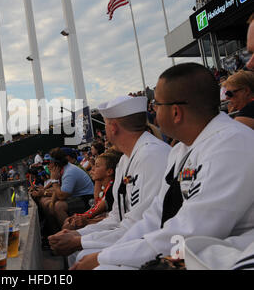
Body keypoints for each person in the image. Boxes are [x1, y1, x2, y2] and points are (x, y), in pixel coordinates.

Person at [72, 63, 254, 270]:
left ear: (176, 112)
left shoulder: (231, 145)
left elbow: (191, 231)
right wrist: (107, 254)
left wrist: (104, 257)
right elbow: (155, 217)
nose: (153, 112)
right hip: (189, 252)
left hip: (219, 257)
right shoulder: (181, 151)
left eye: (157, 105)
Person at [49, 95, 171, 265]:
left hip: (155, 244)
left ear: (113, 127)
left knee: (81, 256)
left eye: (105, 124)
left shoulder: (152, 156)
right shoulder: (125, 160)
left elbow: (140, 225)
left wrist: (80, 240)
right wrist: (80, 235)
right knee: (77, 253)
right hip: (132, 234)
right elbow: (117, 217)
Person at [62, 150, 123, 231]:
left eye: (97, 166)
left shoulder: (112, 189)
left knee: (69, 227)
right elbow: (96, 200)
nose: (92, 168)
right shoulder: (108, 186)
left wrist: (84, 220)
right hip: (108, 222)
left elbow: (93, 212)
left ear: (109, 171)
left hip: (115, 227)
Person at [40, 148, 94, 235]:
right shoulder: (62, 169)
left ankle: (69, 235)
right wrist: (51, 204)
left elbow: (62, 195)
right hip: (78, 196)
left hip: (88, 198)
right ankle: (55, 233)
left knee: (59, 206)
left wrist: (54, 180)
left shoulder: (69, 172)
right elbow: (58, 190)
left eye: (49, 163)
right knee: (48, 204)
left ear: (55, 163)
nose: (48, 166)